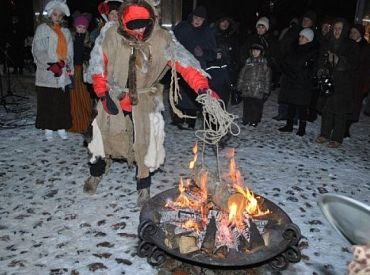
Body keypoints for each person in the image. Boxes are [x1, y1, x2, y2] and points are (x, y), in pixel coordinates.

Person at [84, 0, 220, 206]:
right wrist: (102, 93)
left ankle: (143, 185)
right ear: (123, 22)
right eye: (133, 24)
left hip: (145, 98)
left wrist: (203, 88)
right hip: (114, 95)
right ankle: (96, 173)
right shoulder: (111, 35)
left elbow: (185, 64)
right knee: (100, 138)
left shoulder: (162, 39)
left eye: (143, 23)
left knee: (145, 144)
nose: (139, 29)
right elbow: (98, 64)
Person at [32, 0, 73, 141]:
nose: (57, 17)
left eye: (60, 15)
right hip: (47, 73)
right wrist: (50, 64)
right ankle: (48, 128)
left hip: (61, 73)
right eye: (55, 14)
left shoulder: (66, 32)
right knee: (47, 101)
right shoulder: (42, 29)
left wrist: (64, 62)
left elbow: (69, 52)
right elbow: (38, 50)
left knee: (61, 102)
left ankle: (61, 127)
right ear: (50, 15)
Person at [172, 6, 219, 130]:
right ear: (192, 17)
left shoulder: (207, 32)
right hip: (181, 65)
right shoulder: (182, 28)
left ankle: (191, 122)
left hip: (197, 68)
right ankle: (178, 119)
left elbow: (213, 54)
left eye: (201, 19)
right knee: (179, 93)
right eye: (196, 17)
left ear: (204, 20)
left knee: (193, 95)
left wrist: (203, 53)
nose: (198, 21)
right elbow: (171, 42)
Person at [315, 18, 359, 148]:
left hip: (344, 83)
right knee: (327, 109)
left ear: (344, 30)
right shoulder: (327, 43)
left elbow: (353, 63)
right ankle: (324, 134)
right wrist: (321, 69)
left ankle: (337, 138)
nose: (337, 31)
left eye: (339, 28)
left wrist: (337, 59)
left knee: (340, 111)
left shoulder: (351, 45)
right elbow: (321, 60)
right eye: (335, 28)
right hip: (329, 81)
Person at [278, 28, 318, 136]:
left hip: (302, 83)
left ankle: (302, 128)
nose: (300, 38)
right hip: (291, 80)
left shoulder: (312, 52)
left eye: (303, 37)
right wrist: (286, 69)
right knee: (291, 103)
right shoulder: (294, 48)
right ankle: (289, 125)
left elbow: (311, 69)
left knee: (302, 107)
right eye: (300, 36)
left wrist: (301, 74)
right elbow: (286, 61)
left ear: (309, 39)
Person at [68, 14, 93, 134]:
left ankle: (85, 121)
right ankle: (76, 123)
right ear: (75, 27)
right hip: (73, 71)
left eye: (84, 27)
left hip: (83, 71)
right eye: (79, 27)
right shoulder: (71, 39)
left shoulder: (87, 41)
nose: (81, 29)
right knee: (74, 98)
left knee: (85, 97)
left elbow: (88, 55)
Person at [237, 43, 271, 127]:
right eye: (254, 50)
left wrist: (266, 91)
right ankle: (246, 119)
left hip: (258, 88)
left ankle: (254, 120)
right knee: (247, 105)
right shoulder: (247, 62)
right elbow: (241, 76)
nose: (255, 52)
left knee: (256, 106)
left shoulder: (264, 64)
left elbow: (267, 79)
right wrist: (239, 87)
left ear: (261, 52)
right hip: (247, 87)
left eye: (257, 51)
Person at [346, 24, 370, 136]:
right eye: (351, 32)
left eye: (354, 32)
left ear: (360, 33)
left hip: (357, 81)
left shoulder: (365, 47)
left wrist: (366, 84)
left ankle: (346, 127)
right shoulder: (347, 44)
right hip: (346, 78)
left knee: (354, 105)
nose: (352, 34)